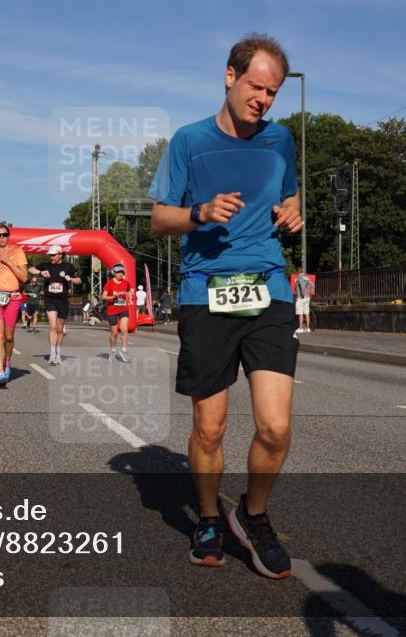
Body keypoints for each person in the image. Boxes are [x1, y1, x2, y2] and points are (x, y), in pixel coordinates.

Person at [148, 34, 303, 577]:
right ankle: (210, 517)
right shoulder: (189, 141)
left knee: (275, 427)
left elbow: (289, 193)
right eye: (256, 86)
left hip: (268, 288)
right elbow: (161, 219)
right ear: (230, 76)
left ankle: (253, 516)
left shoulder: (280, 140)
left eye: (273, 92)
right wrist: (200, 213)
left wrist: (293, 212)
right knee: (210, 429)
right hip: (205, 292)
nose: (263, 99)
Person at [0, 222, 28, 385]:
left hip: (13, 298)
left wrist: (8, 262)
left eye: (4, 235)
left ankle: (7, 362)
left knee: (9, 337)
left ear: (9, 236)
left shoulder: (17, 252)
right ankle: (0, 371)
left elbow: (24, 277)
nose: (2, 238)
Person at [31, 245, 81, 365]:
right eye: (50, 255)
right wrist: (40, 272)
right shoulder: (46, 265)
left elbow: (79, 280)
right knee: (52, 326)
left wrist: (71, 279)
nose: (51, 257)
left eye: (53, 255)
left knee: (60, 328)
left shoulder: (68, 267)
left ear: (60, 255)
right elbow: (30, 269)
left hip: (63, 300)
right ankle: (52, 354)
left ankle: (58, 351)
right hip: (50, 299)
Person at [102, 264, 132, 362]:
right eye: (118, 272)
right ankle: (113, 350)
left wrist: (130, 299)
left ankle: (124, 350)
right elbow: (103, 297)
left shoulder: (126, 282)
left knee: (124, 329)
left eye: (122, 272)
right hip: (112, 310)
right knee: (114, 333)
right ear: (114, 273)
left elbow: (129, 291)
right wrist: (112, 297)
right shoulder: (109, 284)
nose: (120, 274)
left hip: (123, 308)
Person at [294, 268, 314, 333]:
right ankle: (308, 328)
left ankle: (300, 328)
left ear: (297, 272)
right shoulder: (306, 277)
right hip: (307, 297)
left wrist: (302, 294)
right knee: (307, 313)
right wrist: (312, 292)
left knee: (300, 313)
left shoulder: (299, 277)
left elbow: (302, 286)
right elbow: (312, 285)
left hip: (301, 298)